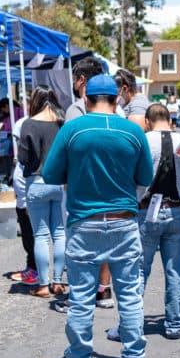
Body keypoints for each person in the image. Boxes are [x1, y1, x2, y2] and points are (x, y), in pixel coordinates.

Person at [43, 74, 154, 358]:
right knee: (130, 295)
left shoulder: (72, 129)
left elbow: (51, 174)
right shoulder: (133, 131)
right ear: (117, 98)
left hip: (83, 223)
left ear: (86, 99)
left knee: (81, 297)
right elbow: (145, 177)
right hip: (123, 222)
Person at [108, 103, 180, 342]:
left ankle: (131, 325)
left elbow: (129, 178)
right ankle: (174, 325)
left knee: (138, 271)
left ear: (148, 121)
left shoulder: (141, 140)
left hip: (145, 211)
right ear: (170, 120)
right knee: (175, 271)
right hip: (177, 211)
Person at [65, 57, 116, 308]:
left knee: (83, 244)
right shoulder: (117, 110)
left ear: (82, 81)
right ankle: (104, 290)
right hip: (113, 185)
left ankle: (81, 296)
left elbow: (67, 152)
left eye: (76, 80)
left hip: (84, 186)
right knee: (107, 240)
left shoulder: (75, 109)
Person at [18, 86, 67, 299]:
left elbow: (23, 158)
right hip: (59, 183)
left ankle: (43, 284)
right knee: (60, 233)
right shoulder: (62, 121)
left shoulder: (28, 124)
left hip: (36, 182)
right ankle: (57, 282)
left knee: (41, 235)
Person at [7, 111, 40, 286]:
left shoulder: (25, 124)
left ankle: (35, 269)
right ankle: (34, 268)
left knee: (32, 234)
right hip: (32, 189)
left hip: (29, 192)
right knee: (38, 234)